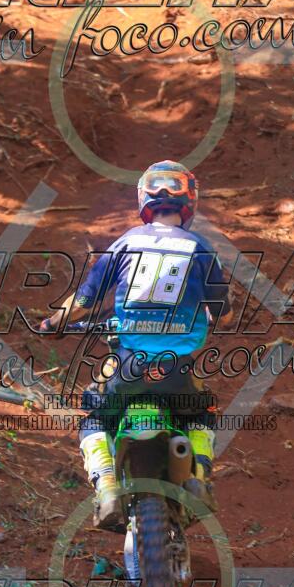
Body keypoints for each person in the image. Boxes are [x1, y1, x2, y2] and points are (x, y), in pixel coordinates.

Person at [40, 160, 232, 531]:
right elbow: (222, 312)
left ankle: (107, 486)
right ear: (190, 202)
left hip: (128, 368)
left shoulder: (126, 242)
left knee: (94, 414)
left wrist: (52, 324)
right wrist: (210, 316)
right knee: (203, 411)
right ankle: (199, 478)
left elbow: (84, 300)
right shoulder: (201, 248)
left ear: (144, 199)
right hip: (177, 371)